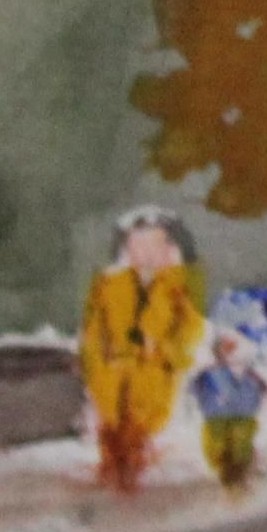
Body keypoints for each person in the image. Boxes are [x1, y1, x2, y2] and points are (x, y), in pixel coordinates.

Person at [80, 208, 209, 493]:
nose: (146, 252)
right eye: (138, 244)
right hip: (112, 375)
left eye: (154, 244)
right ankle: (115, 475)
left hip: (155, 375)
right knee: (112, 432)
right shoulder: (109, 284)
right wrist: (97, 368)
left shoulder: (179, 285)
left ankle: (135, 475)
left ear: (169, 248)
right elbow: (92, 333)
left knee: (142, 433)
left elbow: (191, 329)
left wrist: (167, 354)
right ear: (127, 248)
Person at [192, 327, 267, 494]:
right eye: (226, 347)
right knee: (220, 448)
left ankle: (240, 477)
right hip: (217, 416)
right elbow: (195, 389)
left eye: (232, 347)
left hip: (240, 414)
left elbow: (263, 388)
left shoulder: (246, 372)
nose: (229, 352)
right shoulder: (209, 373)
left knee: (239, 446)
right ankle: (236, 476)